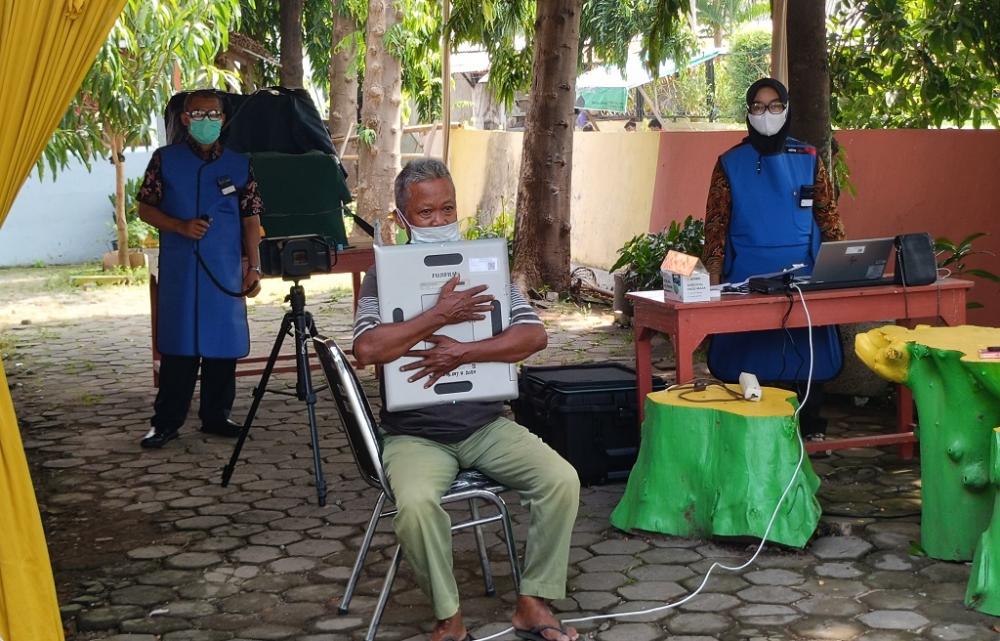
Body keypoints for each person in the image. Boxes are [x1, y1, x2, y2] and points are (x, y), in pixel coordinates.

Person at [352, 158, 581, 641]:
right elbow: (368, 348)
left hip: (485, 425)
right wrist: (438, 316)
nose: (440, 221)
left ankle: (532, 601)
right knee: (414, 506)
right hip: (416, 436)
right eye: (427, 212)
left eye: (448, 208)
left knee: (560, 479)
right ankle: (449, 619)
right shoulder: (382, 276)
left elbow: (533, 336)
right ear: (403, 219)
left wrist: (464, 353)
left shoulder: (487, 266)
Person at [701, 78, 845, 441]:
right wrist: (712, 287)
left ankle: (808, 426)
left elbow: (829, 220)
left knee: (806, 357)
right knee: (750, 358)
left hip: (805, 280)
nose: (768, 114)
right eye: (759, 107)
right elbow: (716, 230)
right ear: (748, 113)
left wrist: (844, 272)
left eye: (775, 106)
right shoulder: (729, 163)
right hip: (746, 281)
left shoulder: (809, 159)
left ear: (787, 109)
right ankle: (753, 431)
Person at [137, 89, 263, 448]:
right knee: (180, 347)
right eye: (198, 114)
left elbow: (251, 217)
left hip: (224, 269)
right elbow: (145, 208)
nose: (206, 121)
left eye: (214, 115)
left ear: (223, 120)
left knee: (222, 344)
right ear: (185, 118)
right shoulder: (165, 160)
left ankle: (216, 415)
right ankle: (165, 422)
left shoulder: (240, 164)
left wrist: (254, 266)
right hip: (181, 268)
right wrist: (178, 226)